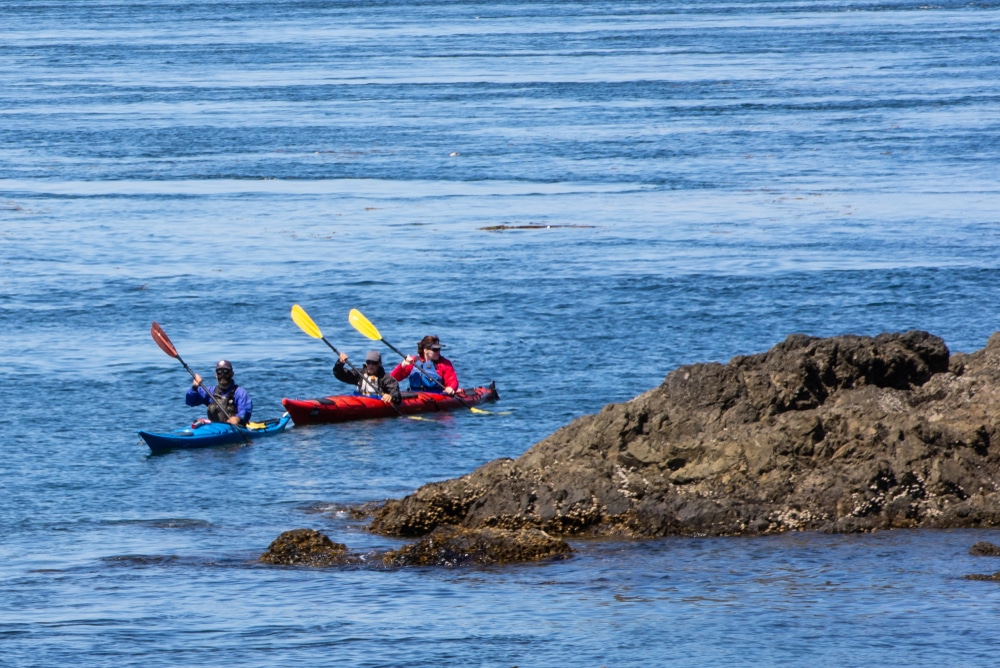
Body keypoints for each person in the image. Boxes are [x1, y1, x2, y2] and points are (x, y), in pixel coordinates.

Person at [185, 360, 253, 425]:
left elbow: (245, 410)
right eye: (219, 372)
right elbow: (190, 402)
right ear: (216, 375)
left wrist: (238, 418)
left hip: (234, 429)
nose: (223, 375)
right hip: (215, 429)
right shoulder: (209, 391)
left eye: (226, 372)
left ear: (232, 374)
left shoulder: (240, 393)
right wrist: (194, 387)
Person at [390, 335, 459, 395]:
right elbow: (392, 379)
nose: (438, 352)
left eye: (439, 349)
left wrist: (451, 387)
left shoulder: (444, 363)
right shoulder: (414, 361)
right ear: (425, 350)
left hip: (436, 395)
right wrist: (402, 366)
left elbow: (452, 380)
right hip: (414, 394)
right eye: (435, 350)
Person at [333, 350, 401, 404]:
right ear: (366, 363)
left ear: (380, 363)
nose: (371, 365)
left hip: (375, 404)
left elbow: (396, 395)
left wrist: (391, 396)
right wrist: (340, 363)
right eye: (369, 362)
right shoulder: (360, 374)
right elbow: (339, 374)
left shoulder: (386, 379)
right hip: (359, 400)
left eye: (374, 363)